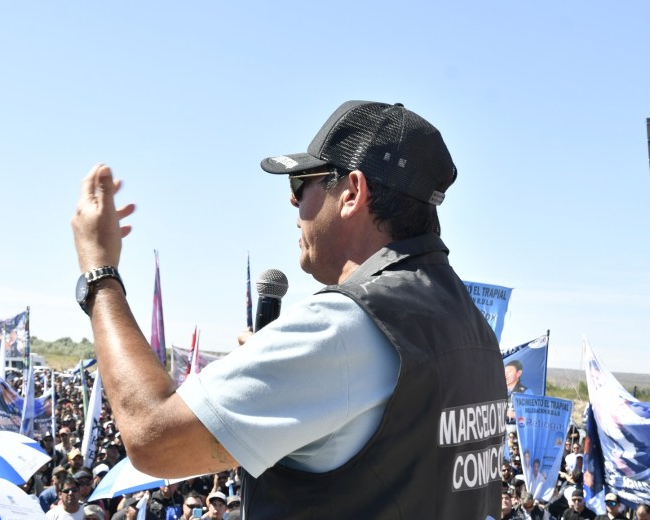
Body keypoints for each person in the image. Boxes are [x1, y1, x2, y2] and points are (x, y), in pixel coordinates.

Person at [70, 100, 505, 518]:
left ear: (352, 193)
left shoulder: (345, 327)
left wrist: (100, 274)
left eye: (302, 183)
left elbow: (153, 438)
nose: (294, 203)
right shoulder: (471, 326)